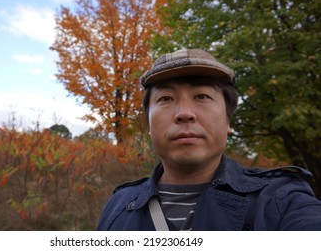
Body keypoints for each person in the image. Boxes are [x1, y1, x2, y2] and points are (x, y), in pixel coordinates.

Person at [96, 48, 321, 231]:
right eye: (166, 98)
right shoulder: (119, 205)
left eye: (202, 96)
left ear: (228, 121)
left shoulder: (281, 200)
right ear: (148, 125)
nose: (184, 113)